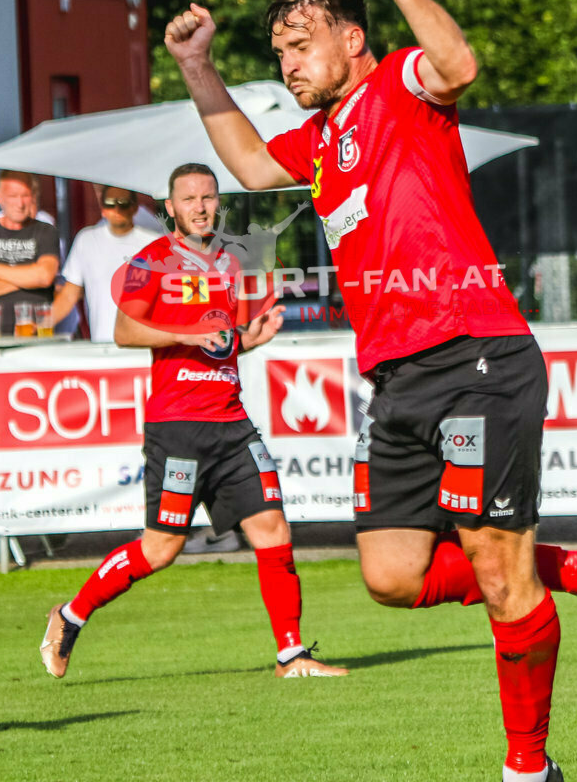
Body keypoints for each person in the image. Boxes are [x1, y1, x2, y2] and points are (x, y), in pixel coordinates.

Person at [164, 0, 577, 782]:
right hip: (398, 382)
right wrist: (198, 68)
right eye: (279, 54)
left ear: (352, 39)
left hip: (476, 358)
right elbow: (245, 165)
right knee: (391, 575)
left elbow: (459, 64)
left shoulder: (398, 87)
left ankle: (528, 770)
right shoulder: (318, 144)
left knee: (499, 576)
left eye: (301, 45)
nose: (289, 65)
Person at [40, 163, 347, 681]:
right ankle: (69, 617)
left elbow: (222, 341)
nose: (201, 207)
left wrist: (251, 338)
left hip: (232, 421)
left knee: (273, 528)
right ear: (171, 208)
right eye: (190, 199)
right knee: (161, 549)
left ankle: (291, 655)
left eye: (208, 197)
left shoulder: (229, 262)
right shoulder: (151, 260)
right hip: (178, 425)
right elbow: (125, 331)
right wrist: (187, 336)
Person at [51, 185, 161, 342]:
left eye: (123, 203)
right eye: (110, 204)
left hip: (146, 346)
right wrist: (38, 326)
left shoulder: (155, 243)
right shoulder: (86, 240)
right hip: (103, 347)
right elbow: (69, 295)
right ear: (102, 209)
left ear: (135, 208)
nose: (117, 209)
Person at [0, 170, 59, 335]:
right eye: (13, 196)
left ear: (34, 196)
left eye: (25, 195)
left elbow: (45, 276)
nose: (20, 203)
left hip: (36, 335)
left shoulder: (46, 231)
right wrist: (28, 279)